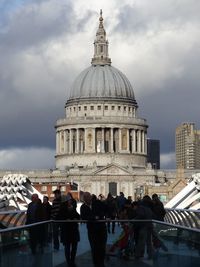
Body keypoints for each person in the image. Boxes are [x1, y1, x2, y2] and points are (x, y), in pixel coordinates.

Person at [80, 192, 107, 267]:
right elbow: (84, 217)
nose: (86, 199)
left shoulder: (97, 203)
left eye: (88, 197)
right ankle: (96, 264)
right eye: (85, 198)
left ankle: (101, 263)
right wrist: (95, 217)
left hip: (102, 229)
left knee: (102, 247)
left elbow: (103, 211)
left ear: (90, 197)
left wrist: (94, 217)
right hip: (92, 231)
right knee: (94, 248)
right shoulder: (83, 207)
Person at [59, 194, 80, 267]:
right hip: (67, 230)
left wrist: (76, 219)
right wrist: (67, 219)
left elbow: (78, 216)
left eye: (70, 200)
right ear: (66, 201)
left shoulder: (72, 208)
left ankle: (72, 261)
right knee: (67, 247)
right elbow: (60, 217)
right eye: (69, 200)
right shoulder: (62, 209)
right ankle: (69, 262)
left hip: (73, 230)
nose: (70, 201)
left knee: (74, 247)